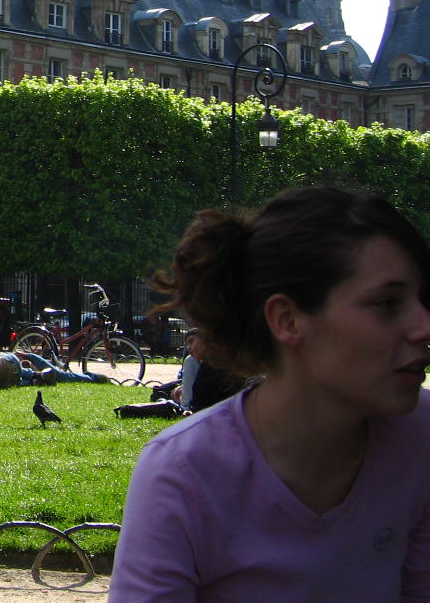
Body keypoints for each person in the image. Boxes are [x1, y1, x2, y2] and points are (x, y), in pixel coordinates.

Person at [110, 186, 430, 600]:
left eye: (424, 299)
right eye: (387, 303)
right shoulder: (184, 471)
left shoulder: (419, 438)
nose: (424, 326)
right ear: (288, 320)